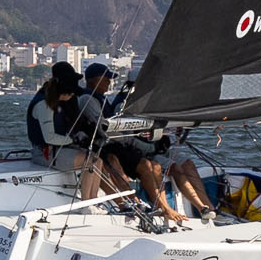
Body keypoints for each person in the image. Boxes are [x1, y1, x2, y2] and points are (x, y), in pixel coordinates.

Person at [72, 63, 181, 219]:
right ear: (94, 80)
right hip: (104, 146)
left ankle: (162, 206)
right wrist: (137, 143)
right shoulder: (87, 100)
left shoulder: (102, 99)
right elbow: (103, 128)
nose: (109, 81)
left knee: (148, 165)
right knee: (113, 162)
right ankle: (131, 203)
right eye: (106, 78)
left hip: (118, 144)